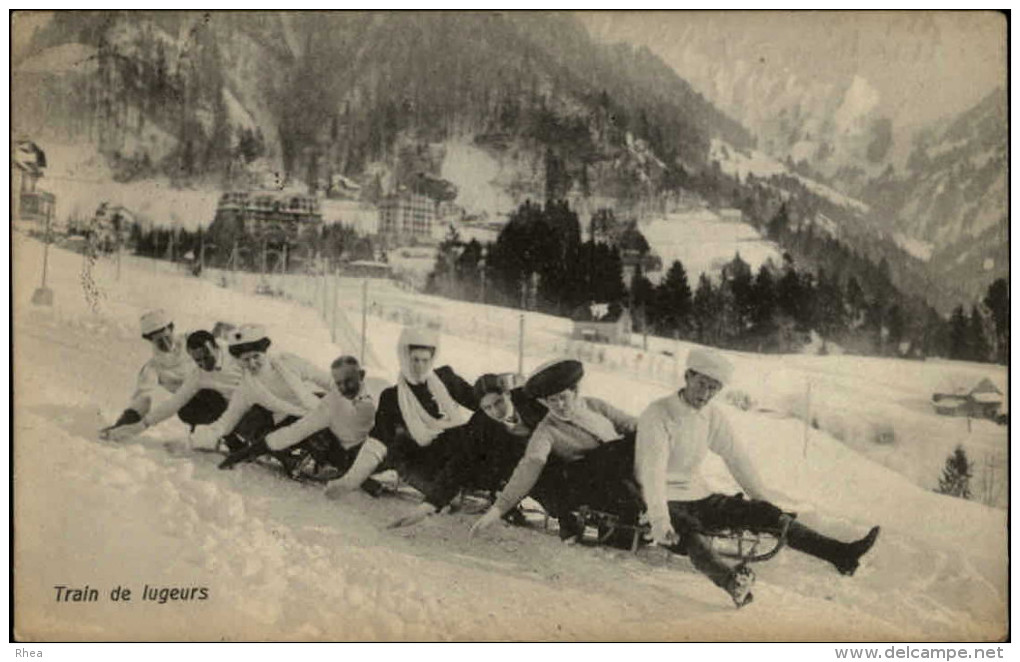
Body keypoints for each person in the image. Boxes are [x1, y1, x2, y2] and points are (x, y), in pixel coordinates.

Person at [635, 347, 881, 608]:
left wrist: (763, 502)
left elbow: (736, 457)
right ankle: (732, 582)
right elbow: (652, 471)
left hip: (699, 494)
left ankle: (840, 553)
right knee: (692, 534)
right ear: (687, 376)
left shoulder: (710, 416)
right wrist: (660, 520)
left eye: (713, 388)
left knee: (766, 514)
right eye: (701, 384)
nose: (705, 394)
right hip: (661, 497)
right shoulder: (658, 414)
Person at [469, 359, 640, 543]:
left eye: (563, 397)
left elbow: (631, 424)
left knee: (637, 439)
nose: (559, 405)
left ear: (574, 392)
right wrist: (496, 511)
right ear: (544, 402)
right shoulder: (547, 430)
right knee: (613, 450)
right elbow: (530, 465)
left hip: (621, 473)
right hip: (588, 481)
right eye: (552, 400)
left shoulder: (594, 405)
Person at [323, 326, 477, 501]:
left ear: (432, 358)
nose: (420, 366)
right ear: (404, 357)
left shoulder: (446, 379)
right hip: (422, 458)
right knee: (397, 446)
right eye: (415, 360)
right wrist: (350, 481)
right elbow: (378, 442)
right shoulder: (392, 397)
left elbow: (479, 403)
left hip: (456, 448)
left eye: (425, 360)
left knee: (470, 431)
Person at [387, 372, 547, 528]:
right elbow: (459, 464)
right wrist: (427, 507)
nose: (495, 412)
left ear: (507, 394)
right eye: (487, 408)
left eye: (498, 403)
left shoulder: (533, 404)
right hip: (504, 467)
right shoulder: (481, 424)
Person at [217, 355, 384, 491]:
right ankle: (345, 471)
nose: (345, 388)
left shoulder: (376, 396)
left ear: (361, 376)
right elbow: (287, 435)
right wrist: (241, 455)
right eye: (339, 383)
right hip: (352, 457)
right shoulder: (327, 407)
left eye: (350, 381)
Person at [188, 324, 334, 474]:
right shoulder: (247, 387)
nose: (252, 363)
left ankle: (330, 459)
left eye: (256, 356)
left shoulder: (288, 362)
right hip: (288, 422)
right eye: (246, 360)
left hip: (315, 407)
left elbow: (326, 380)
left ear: (264, 352)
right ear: (239, 361)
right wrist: (205, 436)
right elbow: (229, 419)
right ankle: (310, 461)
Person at [103, 330, 245, 441]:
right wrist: (138, 427)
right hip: (228, 413)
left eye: (207, 357)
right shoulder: (197, 374)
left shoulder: (238, 356)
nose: (203, 364)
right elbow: (174, 403)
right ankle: (232, 441)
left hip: (251, 404)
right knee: (191, 407)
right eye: (198, 360)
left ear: (216, 347)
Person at [100, 309, 196, 440]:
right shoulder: (153, 367)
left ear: (171, 328)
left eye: (167, 337)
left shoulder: (192, 341)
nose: (166, 344)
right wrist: (121, 426)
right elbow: (142, 399)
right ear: (150, 341)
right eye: (159, 341)